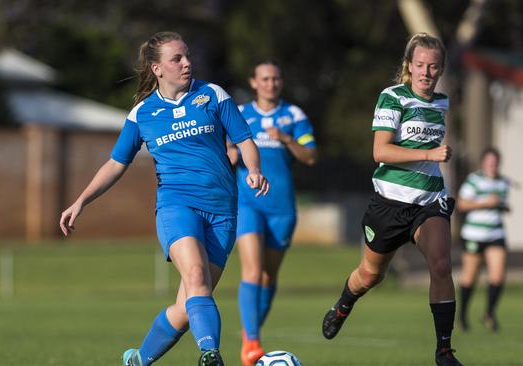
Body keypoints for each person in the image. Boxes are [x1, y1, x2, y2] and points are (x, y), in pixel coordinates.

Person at [58, 31, 269, 366]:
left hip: (223, 210)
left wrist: (254, 169)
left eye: (187, 56)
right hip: (176, 205)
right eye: (177, 59)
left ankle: (140, 359)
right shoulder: (142, 113)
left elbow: (244, 139)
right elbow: (116, 164)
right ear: (157, 69)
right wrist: (81, 201)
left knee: (188, 307)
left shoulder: (212, 95)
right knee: (196, 277)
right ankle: (210, 355)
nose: (187, 63)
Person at [320, 33, 464, 366]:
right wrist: (429, 152)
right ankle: (343, 304)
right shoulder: (393, 97)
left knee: (441, 265)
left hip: (429, 202)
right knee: (371, 275)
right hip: (389, 204)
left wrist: (436, 159)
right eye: (420, 65)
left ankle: (444, 350)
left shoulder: (442, 102)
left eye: (433, 66)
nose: (426, 72)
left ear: (440, 69)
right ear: (409, 67)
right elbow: (380, 151)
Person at [227, 61, 317, 366]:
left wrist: (286, 139)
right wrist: (230, 153)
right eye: (264, 78)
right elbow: (227, 149)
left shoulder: (294, 116)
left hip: (282, 208)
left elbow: (311, 156)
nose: (271, 83)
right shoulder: (239, 113)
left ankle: (250, 333)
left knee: (268, 276)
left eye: (276, 78)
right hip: (248, 203)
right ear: (254, 82)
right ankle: (252, 343)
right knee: (251, 271)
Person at [457, 147, 510, 332]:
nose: (492, 165)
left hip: (496, 234)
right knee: (470, 278)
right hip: (474, 235)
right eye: (489, 162)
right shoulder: (474, 180)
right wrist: (486, 203)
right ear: (483, 163)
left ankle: (489, 313)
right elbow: (462, 204)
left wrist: (503, 207)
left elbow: (500, 204)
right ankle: (462, 316)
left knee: (497, 276)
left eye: (495, 162)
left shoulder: (503, 182)